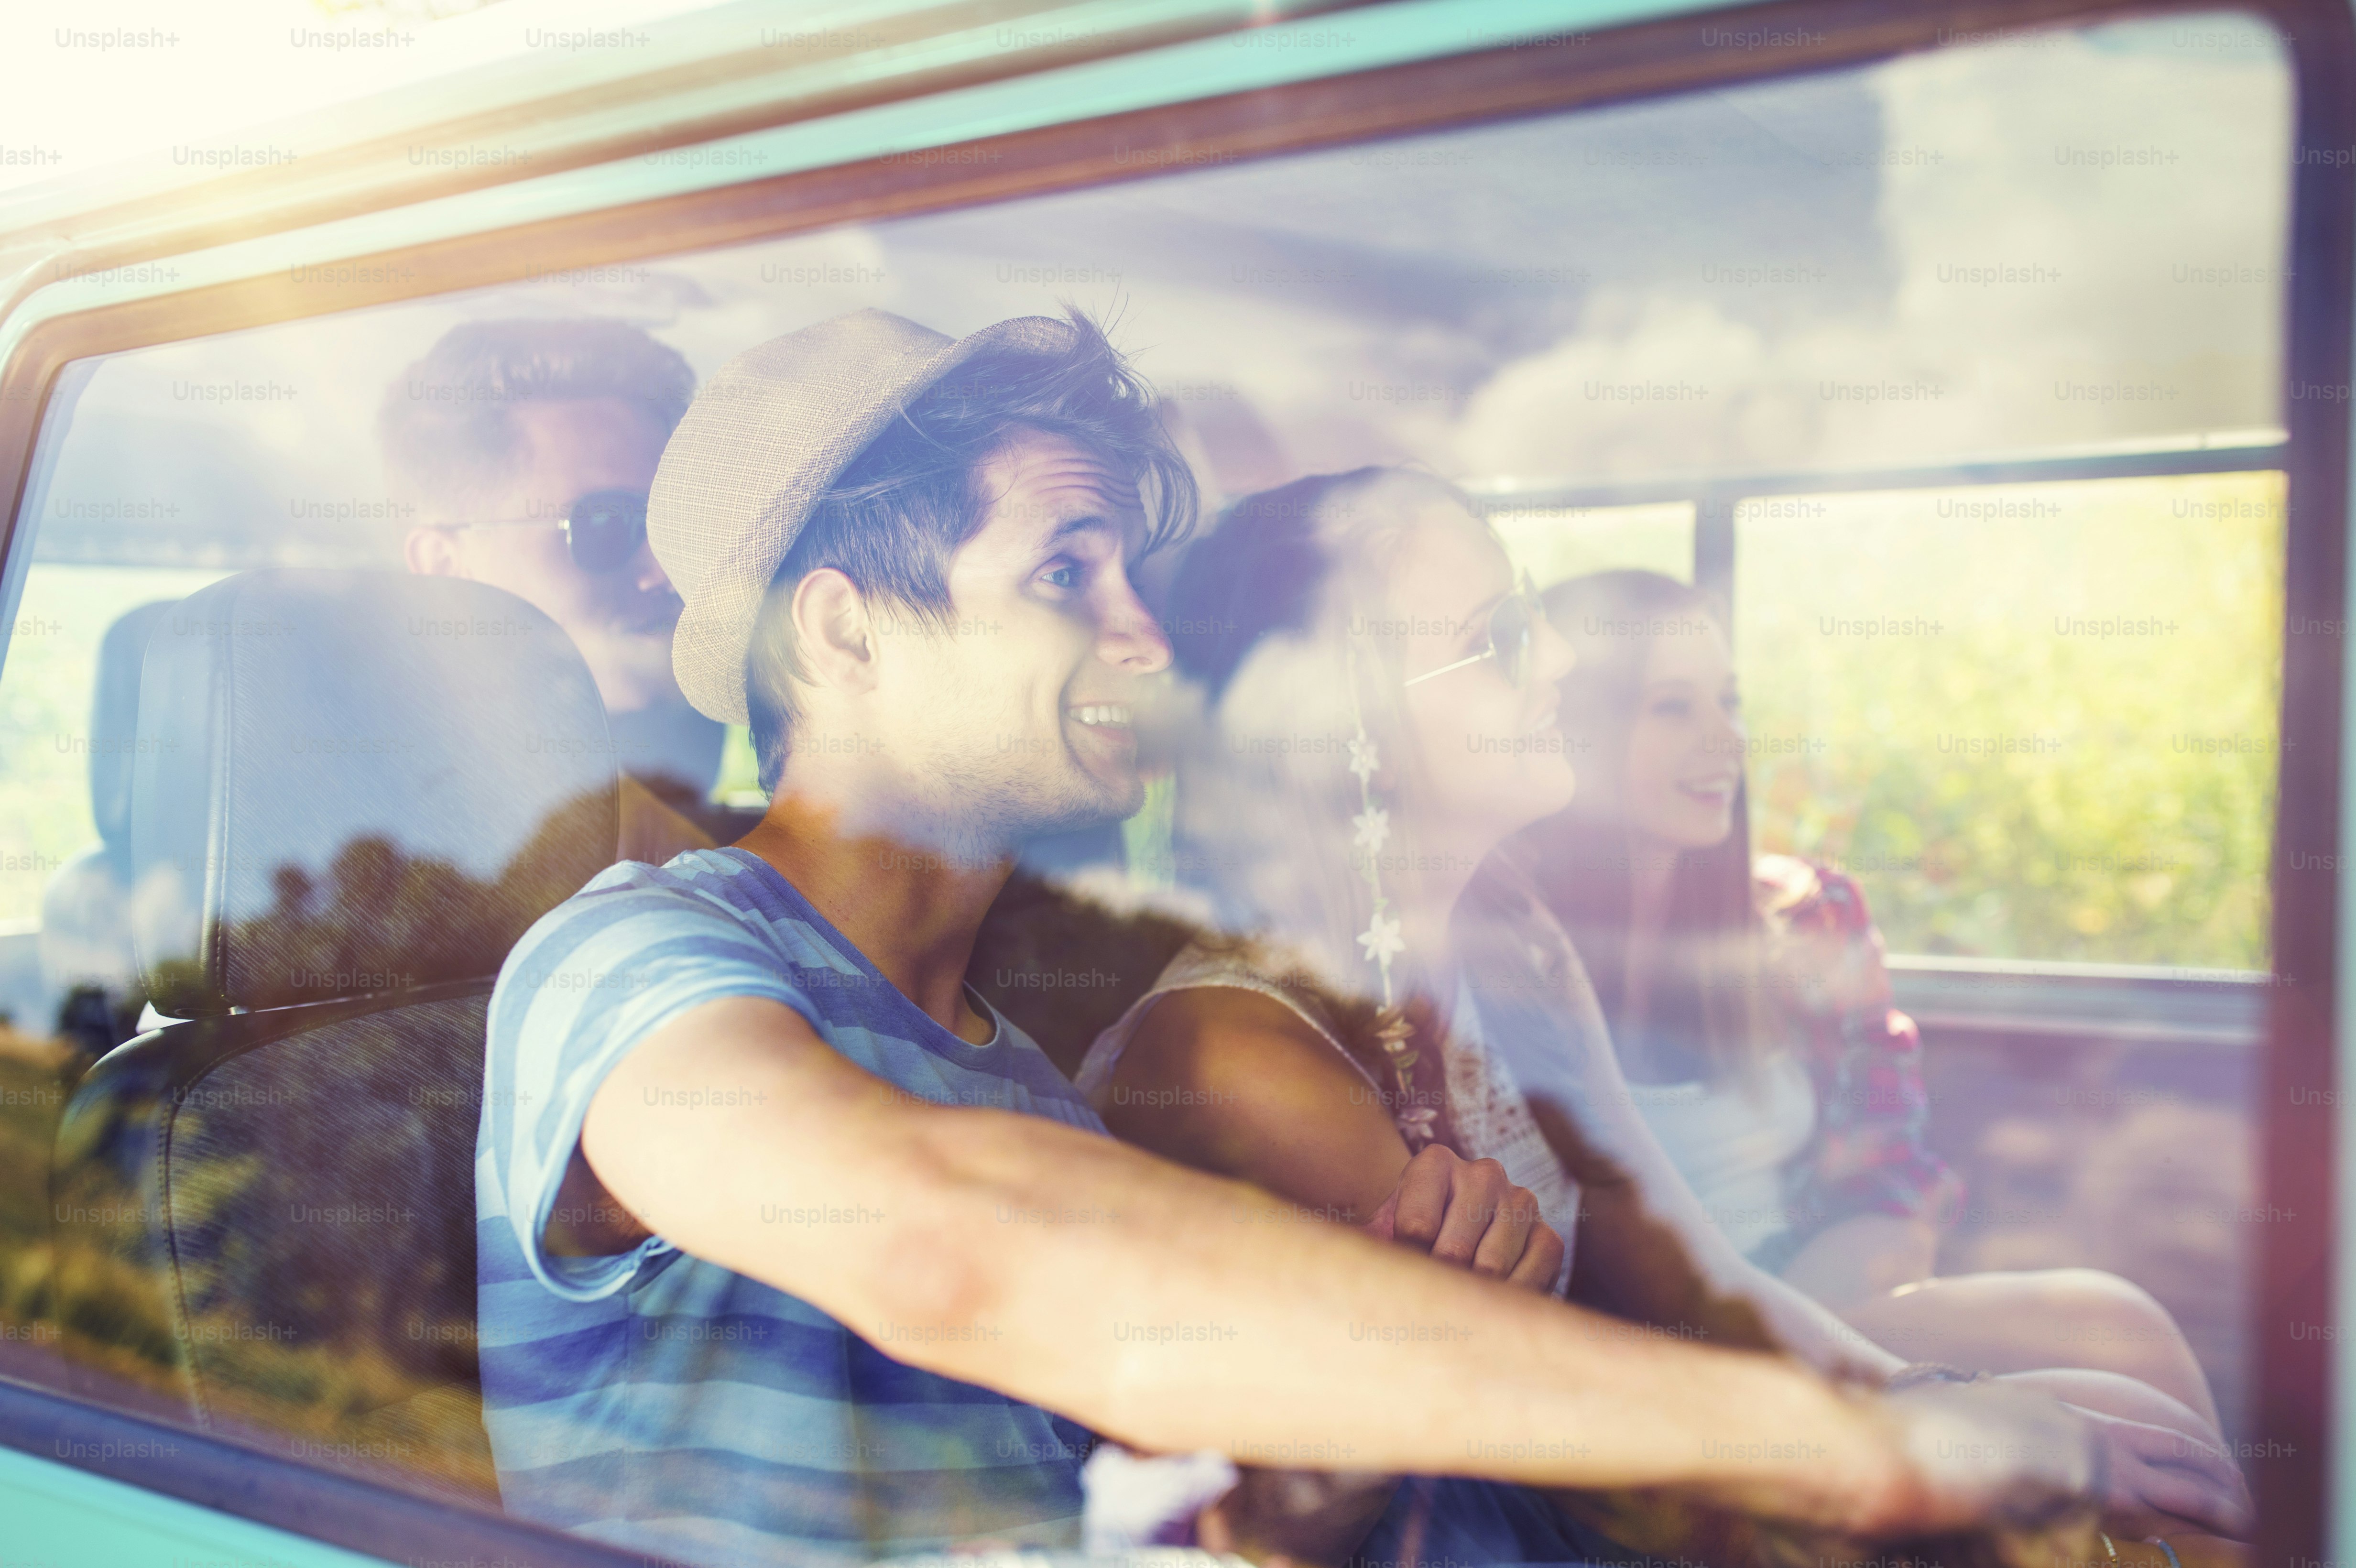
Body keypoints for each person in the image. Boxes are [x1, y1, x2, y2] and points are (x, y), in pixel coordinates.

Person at [475, 310, 2128, 1568]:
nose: (1138, 632)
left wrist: (1327, 1444)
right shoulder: (630, 963)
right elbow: (949, 1251)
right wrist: (1838, 1451)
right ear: (838, 631)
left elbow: (1147, 1512)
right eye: (1067, 569)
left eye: (1130, 568)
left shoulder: (1022, 1082)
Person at [1078, 468, 2248, 1556]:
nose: (1560, 666)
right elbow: (1526, 1424)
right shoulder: (1241, 1059)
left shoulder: (1516, 940)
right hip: (1546, 1501)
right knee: (2073, 1505)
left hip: (1625, 1445)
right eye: (1504, 640)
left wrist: (1930, 1391)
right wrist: (1926, 1444)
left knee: (2129, 1418)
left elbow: (1685, 1271)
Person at [1516, 566, 2226, 1432]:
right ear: (1576, 733)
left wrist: (1823, 1346)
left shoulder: (1808, 916)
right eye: (1673, 708)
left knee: (2121, 1336)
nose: (1725, 741)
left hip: (1815, 1302)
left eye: (1728, 704)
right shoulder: (1508, 961)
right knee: (2112, 1395)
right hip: (1651, 1355)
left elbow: (1890, 1178)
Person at [382, 318, 725, 861]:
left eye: (676, 522)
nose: (664, 569)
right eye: (604, 525)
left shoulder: (685, 768)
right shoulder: (404, 834)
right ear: (447, 565)